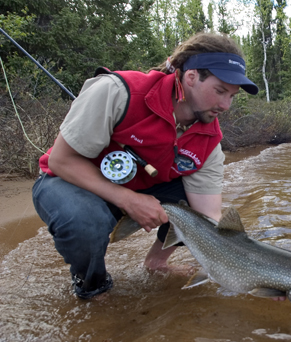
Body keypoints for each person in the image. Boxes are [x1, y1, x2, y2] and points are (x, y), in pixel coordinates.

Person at [32, 33, 259, 299]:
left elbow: (208, 218)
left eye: (232, 96)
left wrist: (257, 273)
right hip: (66, 180)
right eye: (220, 91)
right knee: (83, 223)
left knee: (197, 221)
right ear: (191, 77)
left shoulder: (210, 139)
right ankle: (93, 287)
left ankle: (156, 262)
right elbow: (60, 160)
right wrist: (128, 200)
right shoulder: (116, 91)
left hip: (140, 189)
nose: (225, 105)